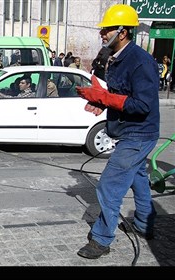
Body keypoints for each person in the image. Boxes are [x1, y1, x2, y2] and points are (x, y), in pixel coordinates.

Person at [75, 4, 160, 260]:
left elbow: (142, 105)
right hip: (127, 130)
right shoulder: (116, 58)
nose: (102, 33)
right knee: (138, 179)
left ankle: (102, 239)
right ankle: (145, 224)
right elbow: (121, 95)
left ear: (122, 32)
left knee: (109, 185)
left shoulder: (140, 62)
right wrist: (100, 102)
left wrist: (106, 98)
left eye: (106, 29)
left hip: (139, 133)